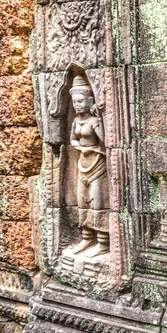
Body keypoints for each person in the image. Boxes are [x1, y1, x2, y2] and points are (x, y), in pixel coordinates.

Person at [69, 75, 110, 257]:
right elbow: (72, 139)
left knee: (98, 202)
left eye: (80, 101)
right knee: (82, 200)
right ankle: (87, 238)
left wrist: (94, 141)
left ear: (90, 101)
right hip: (82, 164)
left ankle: (102, 242)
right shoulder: (75, 122)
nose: (77, 105)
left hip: (97, 164)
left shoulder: (95, 121)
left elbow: (106, 143)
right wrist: (80, 147)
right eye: (74, 102)